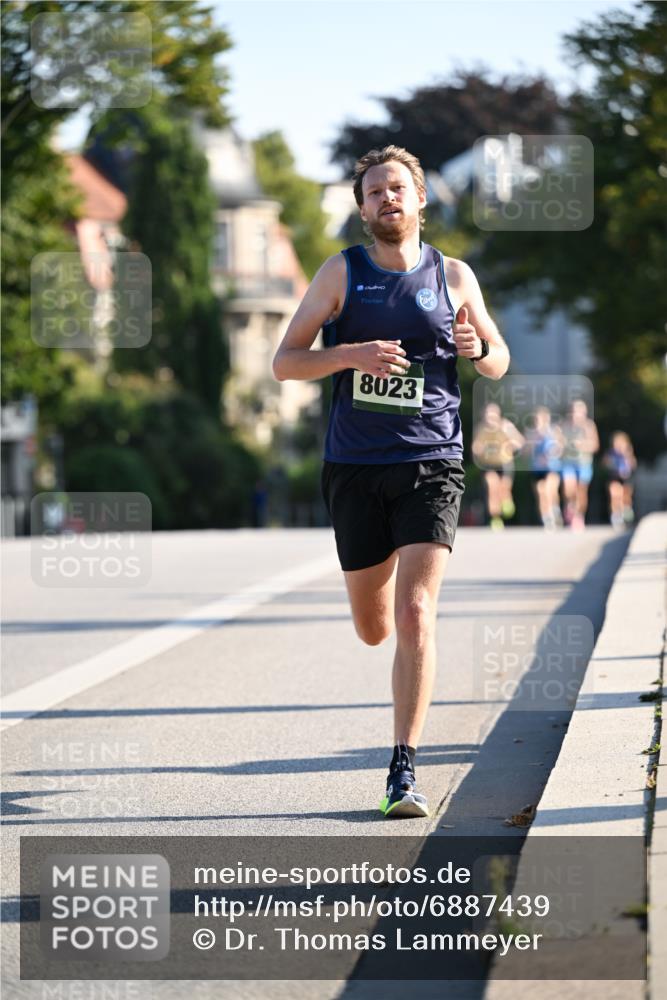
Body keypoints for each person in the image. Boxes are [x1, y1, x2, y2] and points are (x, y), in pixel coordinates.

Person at [272, 145, 509, 818]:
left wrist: (479, 350)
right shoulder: (340, 272)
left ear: (420, 198)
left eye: (396, 188)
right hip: (354, 467)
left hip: (432, 461)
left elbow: (497, 361)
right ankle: (399, 740)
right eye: (373, 191)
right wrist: (349, 353)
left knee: (415, 614)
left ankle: (403, 770)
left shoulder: (454, 276)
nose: (386, 199)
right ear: (361, 207)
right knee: (375, 627)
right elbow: (285, 363)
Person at [471, 402, 524, 530]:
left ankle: (506, 500)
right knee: (492, 487)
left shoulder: (506, 426)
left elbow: (520, 442)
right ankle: (495, 518)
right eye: (487, 414)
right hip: (488, 464)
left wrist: (511, 442)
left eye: (492, 414)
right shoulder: (481, 428)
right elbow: (475, 447)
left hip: (504, 463)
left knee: (503, 489)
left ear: (498, 415)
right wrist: (478, 449)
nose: (490, 417)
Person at [559, 399, 600, 530]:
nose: (575, 414)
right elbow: (557, 443)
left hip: (583, 463)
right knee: (568, 488)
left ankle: (578, 516)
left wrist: (582, 445)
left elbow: (595, 445)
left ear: (584, 412)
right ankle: (570, 507)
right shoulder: (563, 426)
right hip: (568, 462)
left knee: (581, 492)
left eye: (578, 411)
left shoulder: (588, 426)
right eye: (573, 411)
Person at [525, 406, 563, 530]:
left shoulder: (554, 431)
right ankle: (547, 518)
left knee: (550, 491)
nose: (538, 422)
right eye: (536, 419)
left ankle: (555, 509)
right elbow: (525, 452)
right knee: (541, 493)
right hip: (537, 469)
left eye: (541, 419)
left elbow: (560, 448)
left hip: (552, 467)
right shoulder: (531, 434)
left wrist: (551, 453)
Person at [603, 431, 637, 528]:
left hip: (626, 478)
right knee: (615, 495)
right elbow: (604, 464)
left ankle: (626, 512)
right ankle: (616, 516)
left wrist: (627, 455)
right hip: (614, 477)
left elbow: (633, 465)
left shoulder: (628, 453)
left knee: (626, 497)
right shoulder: (610, 453)